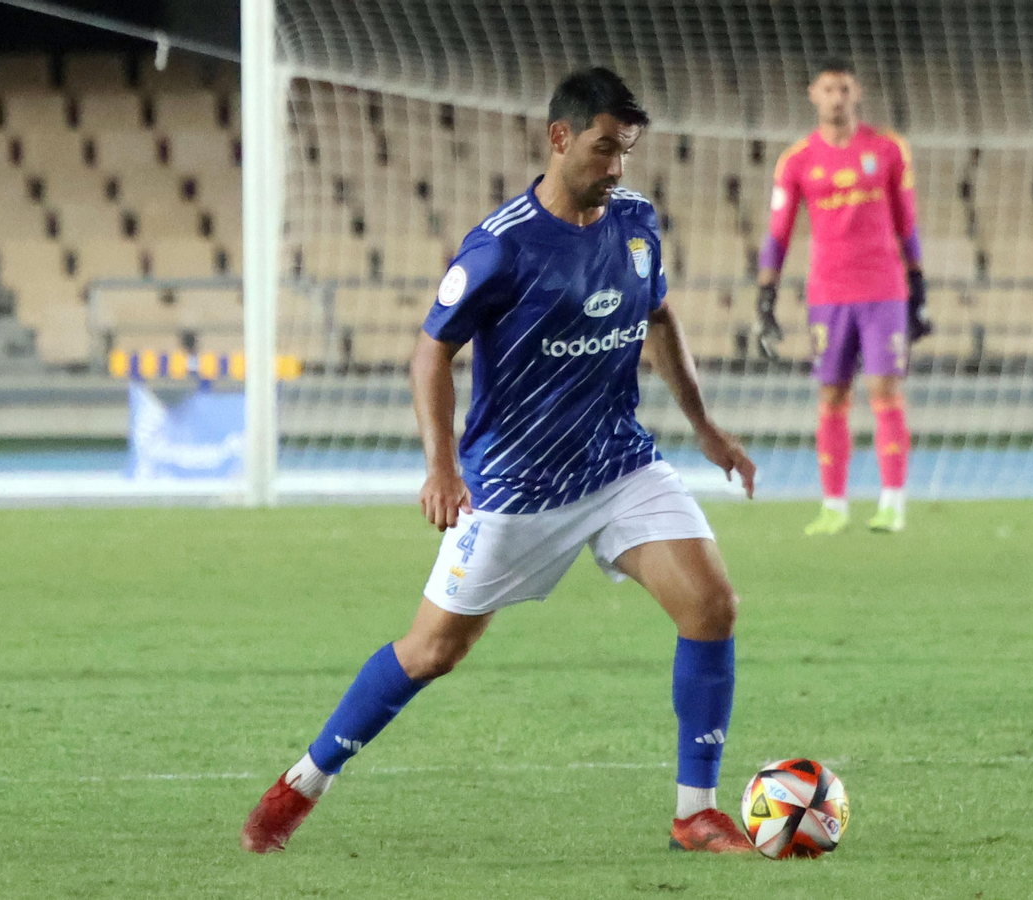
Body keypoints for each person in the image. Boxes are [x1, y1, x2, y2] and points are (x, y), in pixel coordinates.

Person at [242, 68, 759, 854]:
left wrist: (706, 428)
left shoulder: (637, 224)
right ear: (560, 138)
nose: (617, 166)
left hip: (619, 465)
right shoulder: (501, 247)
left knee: (712, 607)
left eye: (627, 151)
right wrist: (442, 469)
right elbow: (428, 355)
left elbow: (660, 320)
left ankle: (696, 812)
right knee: (432, 652)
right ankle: (302, 784)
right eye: (605, 148)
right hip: (517, 487)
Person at [755, 57, 931, 535]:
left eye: (845, 89)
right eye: (828, 89)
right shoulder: (797, 159)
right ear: (813, 93)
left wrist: (920, 286)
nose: (836, 98)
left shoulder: (888, 149)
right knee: (832, 395)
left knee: (884, 390)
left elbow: (907, 221)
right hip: (828, 294)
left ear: (858, 93)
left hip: (883, 290)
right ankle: (834, 504)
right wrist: (766, 294)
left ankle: (892, 501)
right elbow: (778, 233)